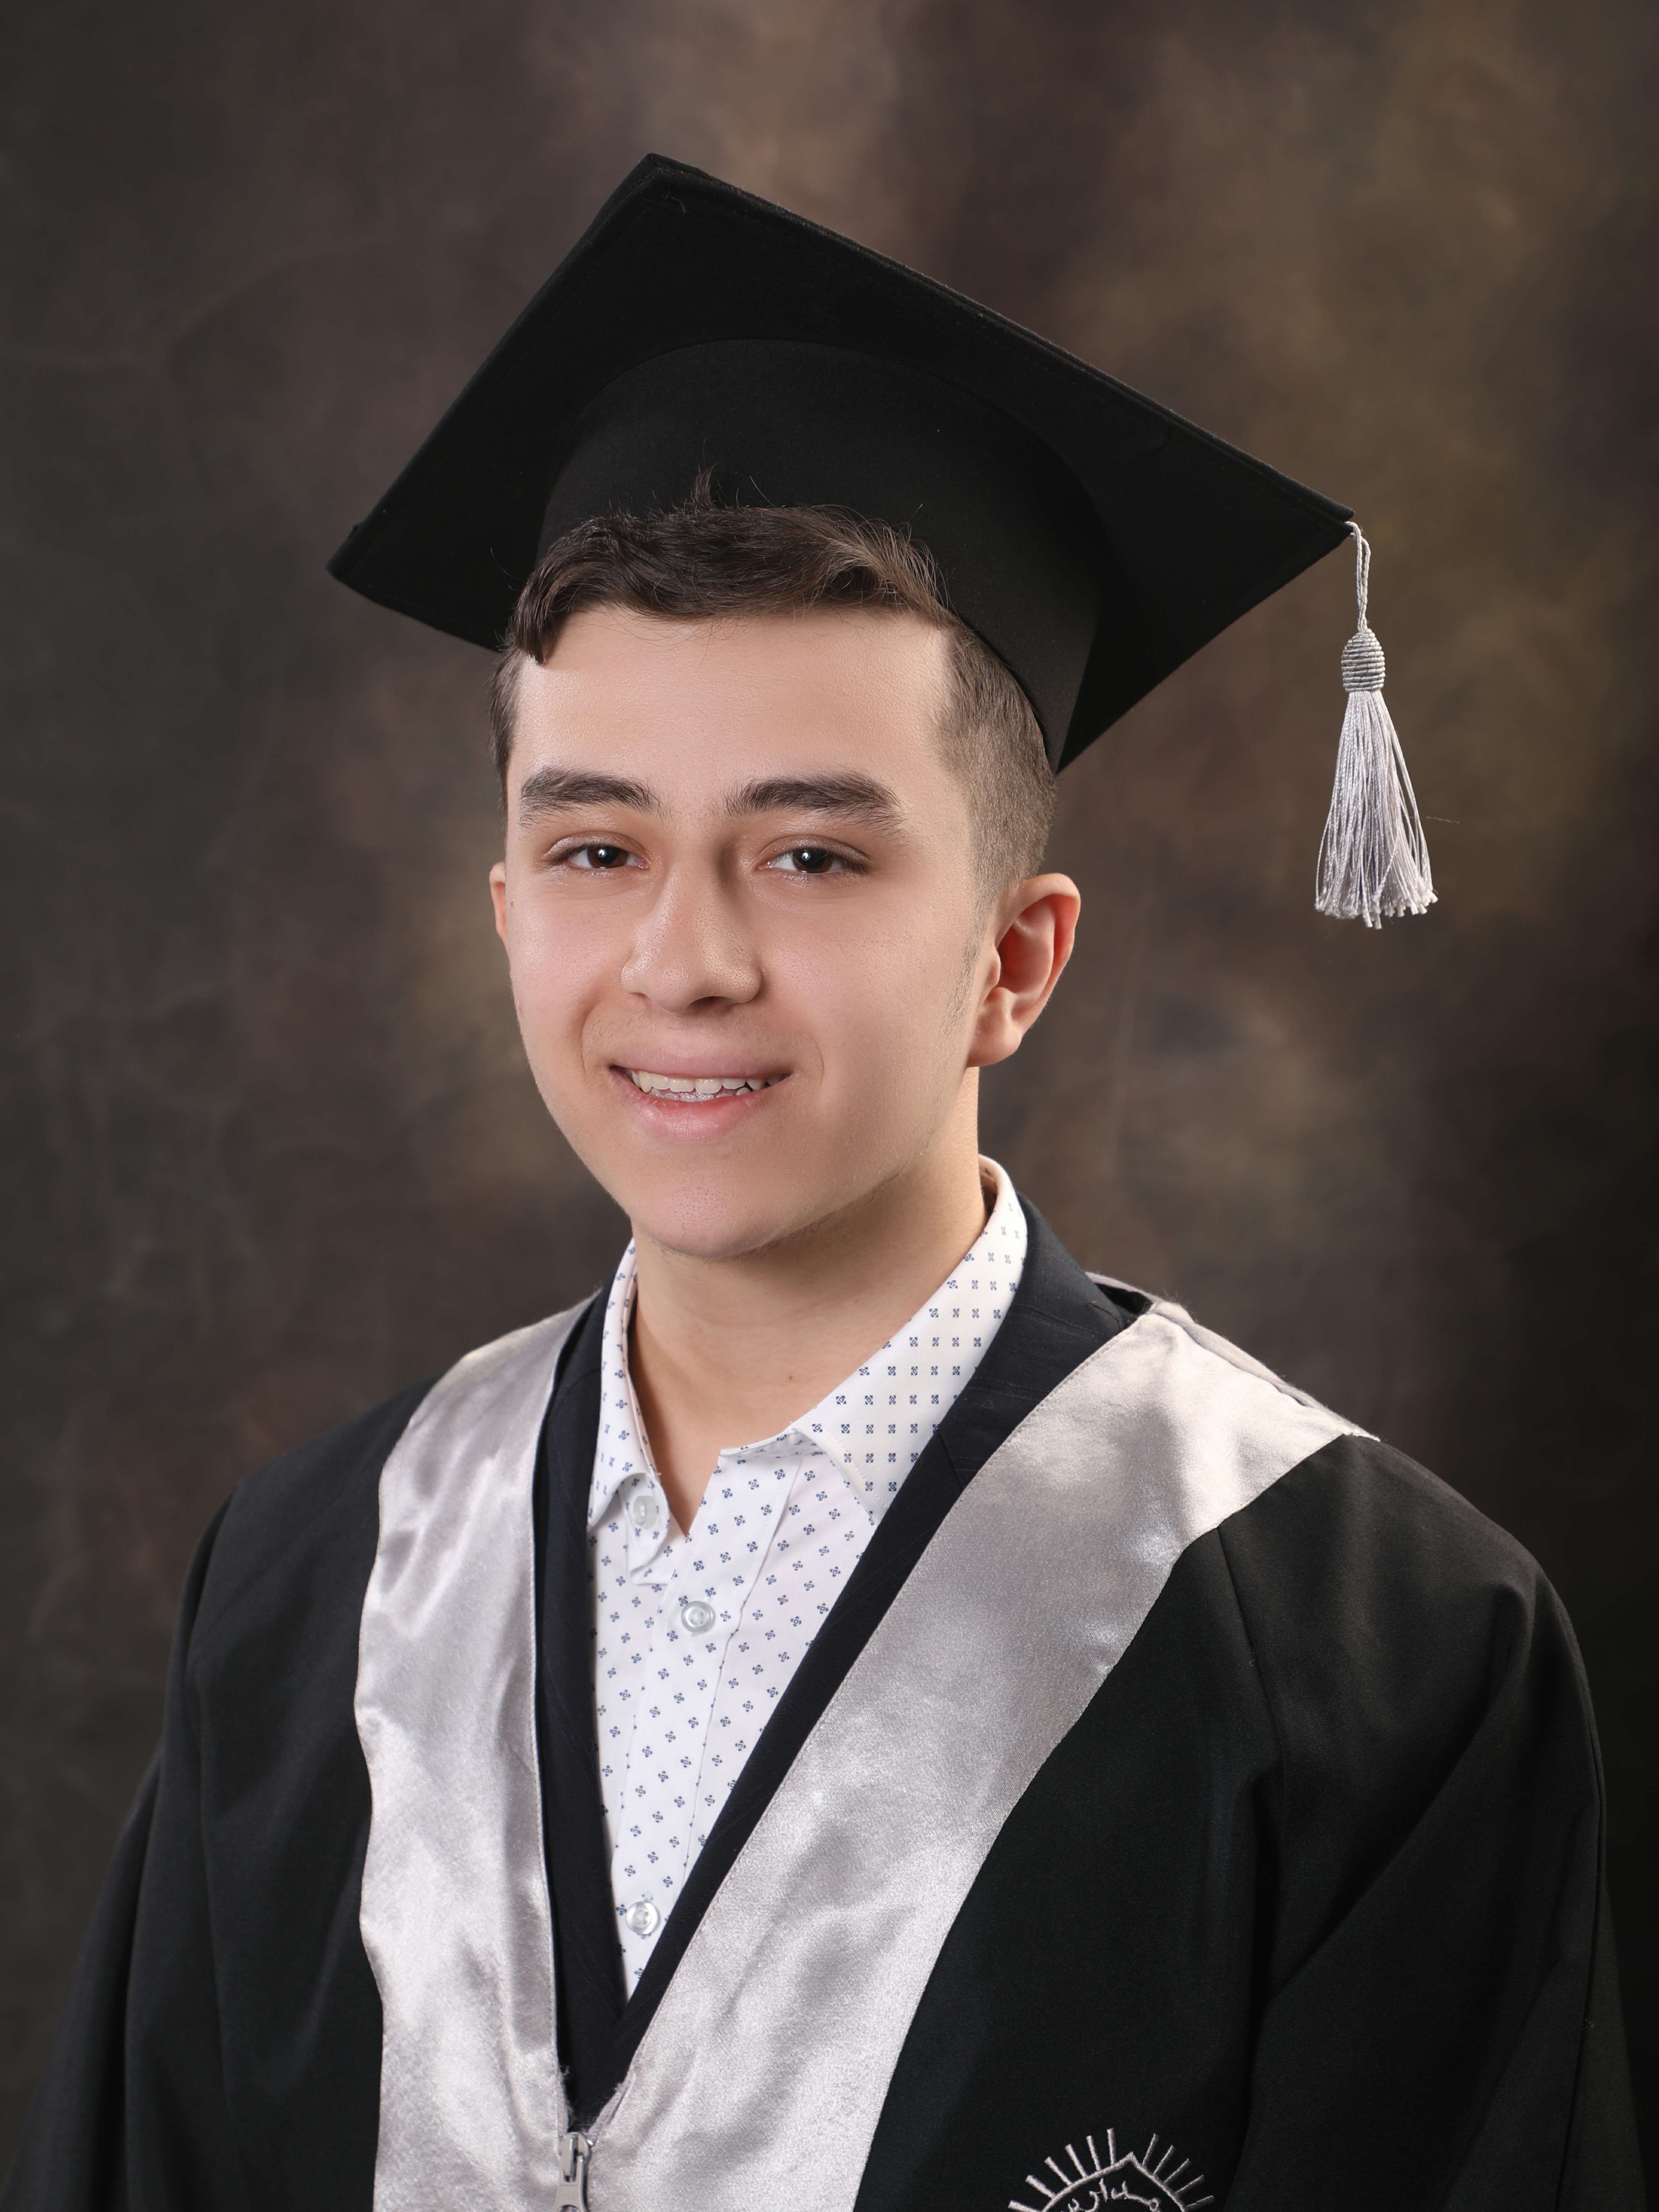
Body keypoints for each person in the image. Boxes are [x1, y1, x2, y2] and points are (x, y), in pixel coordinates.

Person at [3, 156, 1641, 2212]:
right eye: (598, 848)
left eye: (812, 853)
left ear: (1016, 959)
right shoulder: (310, 1584)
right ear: (506, 908)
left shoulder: (1373, 1654)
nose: (684, 958)